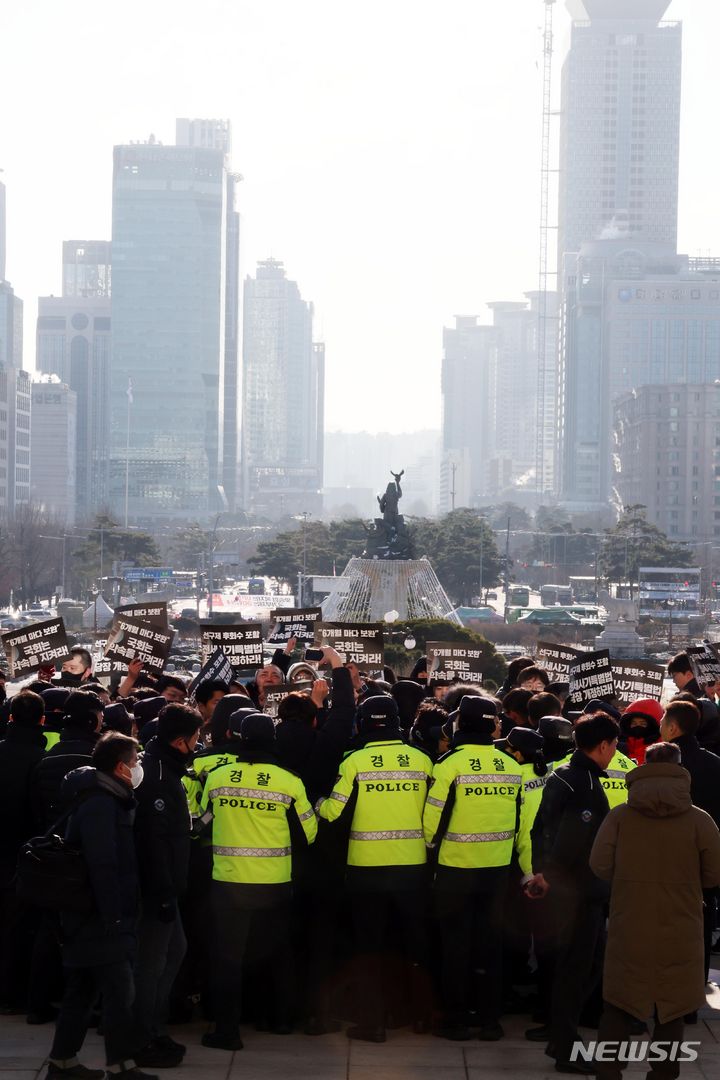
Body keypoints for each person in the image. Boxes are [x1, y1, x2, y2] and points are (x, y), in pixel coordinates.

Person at [590, 741, 720, 1080]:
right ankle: (663, 1073)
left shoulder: (620, 816)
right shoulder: (699, 821)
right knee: (672, 1008)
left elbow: (599, 865)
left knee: (618, 1002)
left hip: (629, 920)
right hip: (681, 923)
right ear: (681, 770)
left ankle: (609, 1071)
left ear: (644, 767)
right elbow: (714, 874)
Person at [199, 711, 317, 1050]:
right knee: (277, 953)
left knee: (228, 958)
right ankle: (279, 1020)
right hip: (274, 884)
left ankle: (226, 1031)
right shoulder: (289, 781)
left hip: (228, 883)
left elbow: (201, 823)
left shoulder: (217, 778)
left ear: (237, 738)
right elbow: (308, 833)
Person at [319, 695, 433, 1043]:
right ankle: (420, 1018)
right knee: (414, 944)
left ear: (362, 722)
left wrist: (318, 804)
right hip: (413, 866)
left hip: (366, 868)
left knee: (369, 947)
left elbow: (333, 812)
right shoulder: (423, 760)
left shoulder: (354, 761)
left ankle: (373, 1023)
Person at [47, 732, 154, 1080]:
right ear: (121, 767)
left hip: (90, 916)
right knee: (120, 993)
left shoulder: (107, 797)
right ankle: (121, 1067)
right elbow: (102, 863)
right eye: (136, 762)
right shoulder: (100, 803)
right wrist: (114, 915)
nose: (139, 769)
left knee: (83, 989)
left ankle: (63, 1064)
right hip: (99, 916)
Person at [423, 695, 521, 1042]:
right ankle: (490, 1021)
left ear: (460, 724)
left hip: (455, 870)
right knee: (490, 947)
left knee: (456, 947)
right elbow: (520, 824)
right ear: (493, 725)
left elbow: (432, 820)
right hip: (496, 869)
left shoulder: (449, 764)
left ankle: (456, 1020)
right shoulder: (510, 766)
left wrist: (429, 856)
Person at [526, 713, 619, 1075]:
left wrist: (540, 872)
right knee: (577, 969)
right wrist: (549, 875)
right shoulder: (586, 785)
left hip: (569, 890)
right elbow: (570, 838)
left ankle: (562, 1034)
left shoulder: (562, 775)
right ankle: (564, 1046)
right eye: (613, 745)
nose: (614, 752)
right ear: (603, 745)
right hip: (579, 892)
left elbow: (539, 828)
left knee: (584, 965)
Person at [133, 703, 201, 1067]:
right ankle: (143, 1036)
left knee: (174, 952)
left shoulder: (165, 770)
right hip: (156, 890)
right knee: (151, 964)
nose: (197, 744)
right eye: (194, 738)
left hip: (166, 888)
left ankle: (152, 1028)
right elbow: (152, 840)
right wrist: (161, 893)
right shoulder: (158, 776)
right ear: (179, 742)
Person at [661, 697, 720, 984]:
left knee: (664, 924)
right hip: (703, 856)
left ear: (672, 728)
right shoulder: (714, 764)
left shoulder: (658, 762)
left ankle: (665, 984)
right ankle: (694, 985)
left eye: (662, 721)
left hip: (664, 857)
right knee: (701, 924)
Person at [0, 691, 47, 1013]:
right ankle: (14, 994)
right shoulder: (43, 760)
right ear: (43, 721)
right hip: (26, 853)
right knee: (21, 927)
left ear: (11, 718)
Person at [617, 698, 662, 765]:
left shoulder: (660, 749)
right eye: (634, 723)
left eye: (643, 724)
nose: (638, 727)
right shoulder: (618, 745)